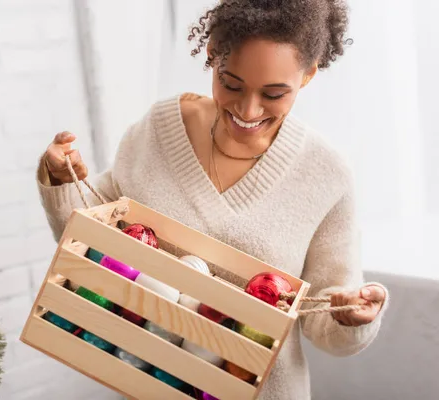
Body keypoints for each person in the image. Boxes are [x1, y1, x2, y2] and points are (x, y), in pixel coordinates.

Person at [36, 0, 389, 398]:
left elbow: (325, 325)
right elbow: (93, 233)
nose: (247, 109)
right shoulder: (158, 130)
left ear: (307, 75)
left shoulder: (327, 174)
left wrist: (350, 316)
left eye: (274, 93)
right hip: (146, 382)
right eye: (231, 83)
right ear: (212, 54)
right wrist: (62, 176)